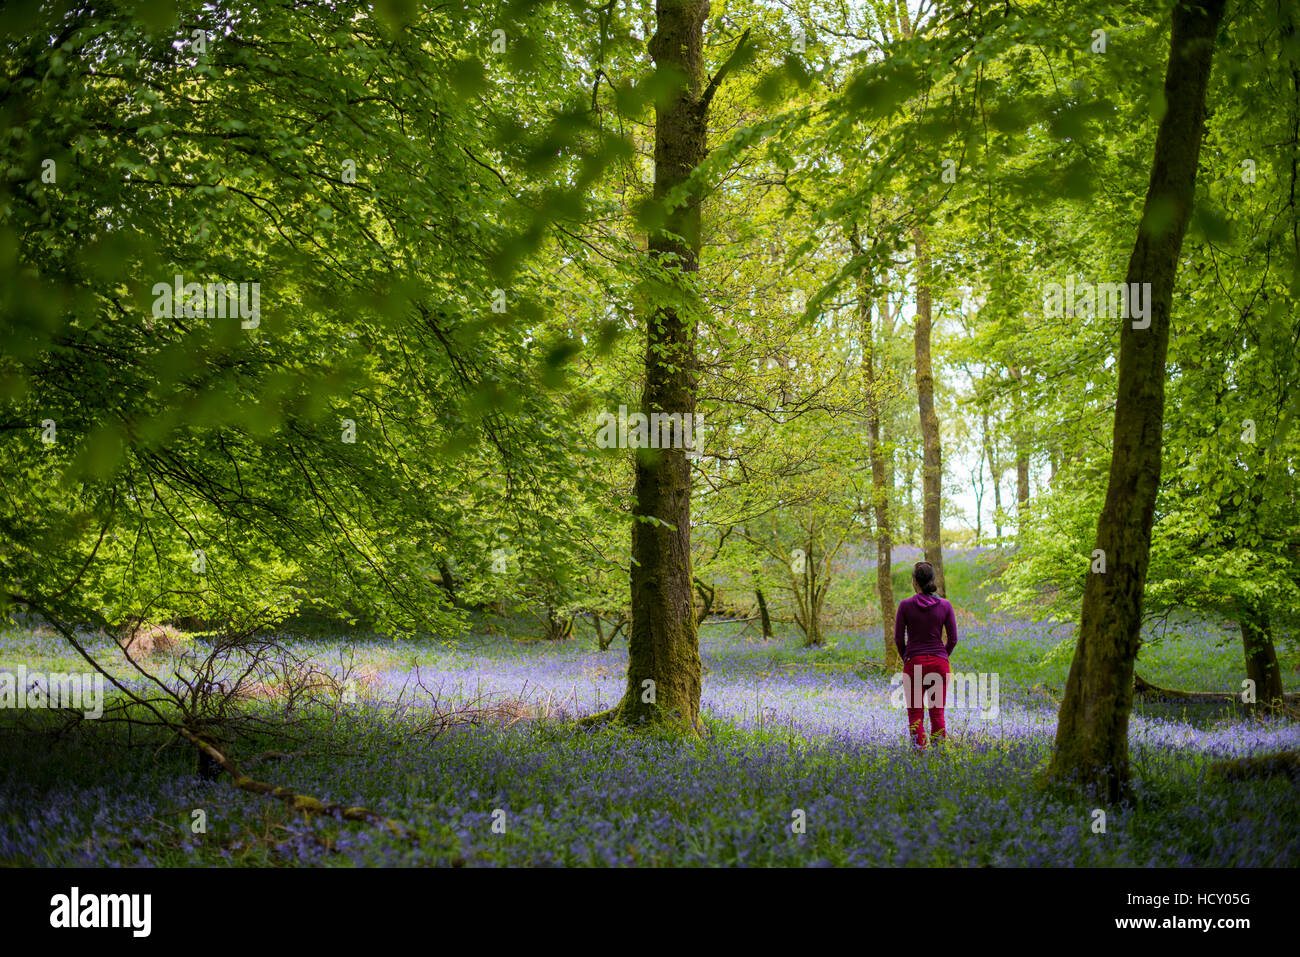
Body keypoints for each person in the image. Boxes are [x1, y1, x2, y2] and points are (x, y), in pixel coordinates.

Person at [893, 561, 957, 751]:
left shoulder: (905, 606)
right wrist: (942, 656)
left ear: (915, 582)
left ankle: (919, 755)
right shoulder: (945, 606)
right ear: (932, 580)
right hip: (939, 664)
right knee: (937, 714)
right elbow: (953, 639)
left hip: (914, 664)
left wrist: (908, 658)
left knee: (915, 714)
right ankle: (939, 755)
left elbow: (898, 639)